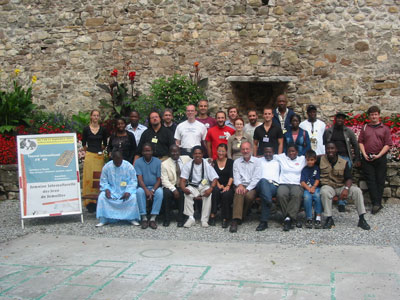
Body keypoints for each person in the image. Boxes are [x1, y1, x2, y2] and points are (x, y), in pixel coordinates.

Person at [320, 142, 370, 230]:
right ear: (325, 150)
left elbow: (349, 178)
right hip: (329, 186)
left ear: (336, 150)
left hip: (341, 186)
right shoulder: (320, 159)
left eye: (332, 148)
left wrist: (346, 189)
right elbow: (309, 159)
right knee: (324, 192)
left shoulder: (344, 162)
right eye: (328, 148)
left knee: (357, 191)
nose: (330, 150)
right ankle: (329, 218)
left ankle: (362, 219)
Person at [358, 106, 392, 215]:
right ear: (369, 116)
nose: (374, 116)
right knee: (370, 181)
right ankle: (376, 203)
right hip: (367, 157)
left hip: (380, 157)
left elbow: (388, 144)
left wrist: (379, 155)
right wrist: (364, 154)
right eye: (372, 114)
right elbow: (361, 142)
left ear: (379, 115)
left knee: (380, 180)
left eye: (376, 114)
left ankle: (377, 203)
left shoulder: (385, 128)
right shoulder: (365, 128)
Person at [95, 150, 140, 227]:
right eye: (116, 161)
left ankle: (131, 218)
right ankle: (104, 219)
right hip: (112, 190)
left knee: (133, 197)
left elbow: (133, 181)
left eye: (120, 161)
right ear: (112, 158)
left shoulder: (129, 166)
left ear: (122, 158)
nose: (118, 163)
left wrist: (128, 191)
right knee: (102, 197)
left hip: (125, 190)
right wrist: (106, 190)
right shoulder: (107, 167)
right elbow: (103, 181)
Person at [180, 146, 218, 228]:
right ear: (193, 155)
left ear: (202, 154)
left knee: (208, 194)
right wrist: (184, 189)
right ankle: (190, 218)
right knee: (187, 194)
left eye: (199, 153)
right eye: (195, 153)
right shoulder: (188, 165)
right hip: (192, 186)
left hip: (204, 185)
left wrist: (211, 189)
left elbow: (214, 178)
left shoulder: (207, 164)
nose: (197, 155)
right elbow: (182, 180)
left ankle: (204, 220)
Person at [229, 142, 261, 233]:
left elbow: (256, 178)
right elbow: (236, 176)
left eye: (247, 149)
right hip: (240, 184)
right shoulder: (237, 162)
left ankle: (242, 215)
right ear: (241, 150)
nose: (245, 151)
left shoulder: (257, 162)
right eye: (243, 149)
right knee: (239, 192)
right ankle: (235, 220)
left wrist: (247, 189)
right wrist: (239, 185)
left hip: (252, 187)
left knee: (249, 196)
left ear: (251, 149)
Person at [81, 109, 108, 213]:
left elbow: (105, 143)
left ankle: (98, 201)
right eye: (94, 115)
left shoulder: (103, 130)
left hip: (99, 156)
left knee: (98, 178)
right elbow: (84, 143)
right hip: (89, 155)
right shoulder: (86, 129)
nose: (96, 117)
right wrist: (89, 151)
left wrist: (99, 151)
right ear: (91, 117)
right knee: (88, 178)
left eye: (97, 115)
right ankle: (89, 202)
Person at [275, 143, 306, 231]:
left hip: (296, 184)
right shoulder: (281, 157)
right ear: (286, 152)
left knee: (296, 195)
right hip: (283, 183)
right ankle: (291, 218)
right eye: (289, 151)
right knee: (281, 194)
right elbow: (268, 155)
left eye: (293, 151)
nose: (291, 153)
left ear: (297, 152)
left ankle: (288, 218)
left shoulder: (302, 159)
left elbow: (314, 157)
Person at [161, 145, 191, 227]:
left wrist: (208, 160)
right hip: (171, 185)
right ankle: (167, 218)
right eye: (172, 152)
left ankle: (180, 218)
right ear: (169, 153)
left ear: (180, 152)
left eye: (176, 151)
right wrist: (174, 190)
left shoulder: (187, 159)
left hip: (183, 184)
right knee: (166, 193)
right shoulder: (164, 164)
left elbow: (197, 160)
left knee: (183, 192)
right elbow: (164, 180)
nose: (175, 153)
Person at [134, 143, 163, 230]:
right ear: (142, 152)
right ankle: (144, 218)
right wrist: (146, 190)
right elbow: (140, 178)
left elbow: (159, 179)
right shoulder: (138, 162)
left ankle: (153, 218)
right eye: (145, 151)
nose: (147, 153)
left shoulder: (158, 162)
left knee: (160, 192)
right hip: (143, 187)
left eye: (149, 150)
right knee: (139, 192)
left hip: (155, 187)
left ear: (152, 151)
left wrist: (153, 190)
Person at [255, 146, 280, 231]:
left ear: (273, 152)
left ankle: (264, 222)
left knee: (266, 194)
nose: (268, 154)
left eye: (270, 152)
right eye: (266, 152)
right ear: (263, 153)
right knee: (263, 181)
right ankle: (269, 201)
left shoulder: (278, 160)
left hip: (274, 185)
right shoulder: (259, 160)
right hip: (260, 185)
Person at [210, 144, 234, 228]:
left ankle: (225, 218)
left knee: (226, 194)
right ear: (216, 151)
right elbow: (212, 175)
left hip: (228, 185)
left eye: (223, 151)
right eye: (219, 151)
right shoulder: (213, 162)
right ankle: (213, 215)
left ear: (226, 152)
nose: (221, 153)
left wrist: (227, 186)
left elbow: (232, 175)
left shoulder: (231, 162)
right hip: (217, 184)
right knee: (215, 191)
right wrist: (218, 184)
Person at [300, 150, 322, 229]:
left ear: (315, 160)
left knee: (317, 196)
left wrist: (313, 187)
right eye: (308, 160)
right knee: (307, 197)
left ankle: (318, 217)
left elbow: (317, 179)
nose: (310, 162)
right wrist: (308, 188)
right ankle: (309, 217)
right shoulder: (304, 169)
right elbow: (302, 182)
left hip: (315, 188)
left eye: (312, 160)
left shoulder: (316, 168)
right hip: (307, 189)